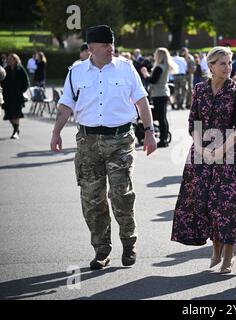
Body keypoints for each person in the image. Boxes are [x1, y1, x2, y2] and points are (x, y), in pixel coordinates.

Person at [50, 25, 157, 270]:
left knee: (122, 195)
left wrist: (150, 132)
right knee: (92, 199)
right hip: (87, 142)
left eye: (112, 44)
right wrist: (56, 131)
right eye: (105, 45)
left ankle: (129, 244)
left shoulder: (126, 67)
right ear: (91, 48)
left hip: (120, 140)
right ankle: (101, 249)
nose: (111, 48)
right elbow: (66, 104)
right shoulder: (76, 72)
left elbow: (141, 100)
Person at [171, 46, 236, 274]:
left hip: (230, 155)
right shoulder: (199, 89)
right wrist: (199, 148)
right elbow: (193, 121)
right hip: (201, 154)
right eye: (223, 64)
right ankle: (215, 247)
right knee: (205, 203)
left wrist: (220, 150)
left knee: (227, 206)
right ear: (211, 67)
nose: (228, 67)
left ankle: (228, 255)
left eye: (229, 63)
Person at [146, 47, 177, 147]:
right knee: (163, 118)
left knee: (160, 118)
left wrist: (146, 74)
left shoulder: (159, 67)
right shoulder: (165, 66)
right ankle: (164, 138)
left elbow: (153, 80)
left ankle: (163, 140)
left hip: (158, 93)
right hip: (163, 92)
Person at [1, 53, 29, 139]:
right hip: (7, 96)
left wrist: (21, 90)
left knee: (16, 114)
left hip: (17, 97)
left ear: (15, 60)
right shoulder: (6, 69)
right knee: (9, 115)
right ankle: (16, 129)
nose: (9, 60)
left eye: (11, 59)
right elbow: (2, 80)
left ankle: (15, 132)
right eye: (8, 59)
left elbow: (26, 82)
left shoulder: (20, 69)